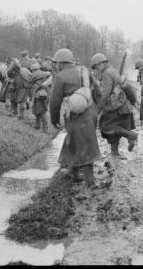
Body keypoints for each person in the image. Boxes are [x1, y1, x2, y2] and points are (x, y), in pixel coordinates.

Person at [49, 48, 101, 187]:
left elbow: (54, 102)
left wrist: (54, 119)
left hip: (76, 116)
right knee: (79, 140)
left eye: (56, 63)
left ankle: (90, 182)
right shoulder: (85, 71)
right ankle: (73, 172)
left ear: (61, 63)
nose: (55, 65)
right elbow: (97, 91)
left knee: (83, 144)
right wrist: (97, 109)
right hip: (91, 111)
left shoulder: (60, 77)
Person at [92, 53, 137, 159]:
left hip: (114, 107)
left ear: (101, 64)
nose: (96, 70)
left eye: (96, 67)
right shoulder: (113, 70)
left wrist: (98, 109)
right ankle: (115, 152)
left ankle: (130, 135)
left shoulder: (107, 73)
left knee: (106, 127)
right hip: (121, 105)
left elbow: (104, 93)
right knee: (114, 130)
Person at [30, 63, 52, 131]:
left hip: (40, 95)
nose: (32, 72)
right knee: (40, 110)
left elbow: (30, 82)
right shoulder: (47, 74)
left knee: (42, 111)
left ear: (34, 69)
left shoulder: (36, 75)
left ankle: (43, 128)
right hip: (46, 95)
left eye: (32, 70)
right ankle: (38, 126)